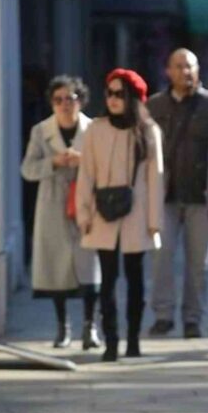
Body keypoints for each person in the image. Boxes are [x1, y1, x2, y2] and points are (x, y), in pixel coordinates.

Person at [76, 69, 164, 362]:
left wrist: (154, 221)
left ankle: (134, 340)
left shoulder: (148, 131)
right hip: (102, 214)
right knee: (108, 280)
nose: (113, 99)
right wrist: (83, 213)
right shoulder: (95, 129)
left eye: (120, 94)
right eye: (110, 93)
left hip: (137, 216)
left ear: (133, 98)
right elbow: (86, 173)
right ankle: (111, 340)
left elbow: (155, 177)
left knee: (136, 280)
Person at [146, 48, 208, 338]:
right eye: (179, 66)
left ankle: (193, 319)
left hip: (202, 198)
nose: (185, 72)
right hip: (164, 196)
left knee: (200, 264)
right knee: (161, 259)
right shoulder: (154, 107)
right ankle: (163, 315)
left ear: (198, 70)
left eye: (190, 66)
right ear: (168, 71)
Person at [21, 76, 102, 350]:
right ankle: (62, 327)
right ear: (52, 104)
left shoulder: (94, 129)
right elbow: (27, 170)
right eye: (59, 100)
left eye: (71, 98)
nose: (65, 105)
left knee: (90, 267)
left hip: (86, 202)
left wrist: (84, 161)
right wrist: (54, 161)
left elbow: (106, 166)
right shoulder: (40, 131)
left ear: (81, 100)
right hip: (53, 203)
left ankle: (90, 327)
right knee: (56, 267)